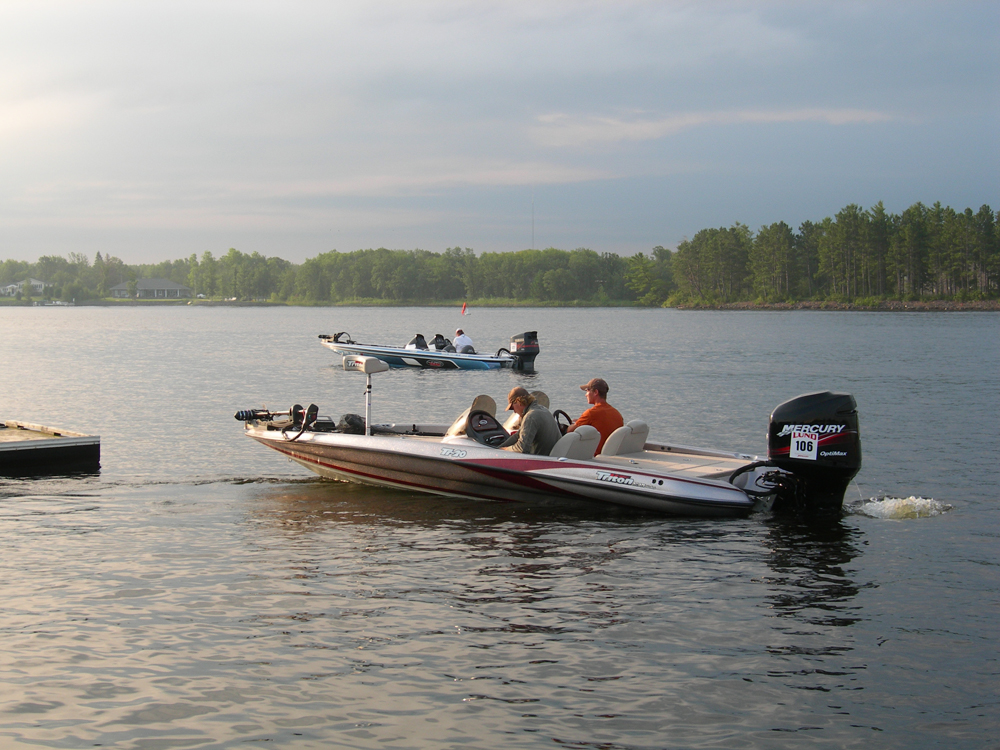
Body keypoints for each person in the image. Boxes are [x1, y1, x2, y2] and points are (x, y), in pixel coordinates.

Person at [499, 386, 561, 455]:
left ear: (519, 402)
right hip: (554, 456)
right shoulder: (543, 409)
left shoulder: (530, 417)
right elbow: (518, 435)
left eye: (512, 407)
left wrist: (504, 449)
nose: (514, 411)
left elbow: (522, 448)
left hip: (542, 460)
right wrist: (499, 447)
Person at [567, 378, 624, 453]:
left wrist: (573, 424)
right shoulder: (616, 413)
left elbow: (569, 431)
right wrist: (580, 421)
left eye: (587, 390)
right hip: (610, 453)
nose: (585, 395)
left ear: (595, 392)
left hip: (594, 456)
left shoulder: (591, 413)